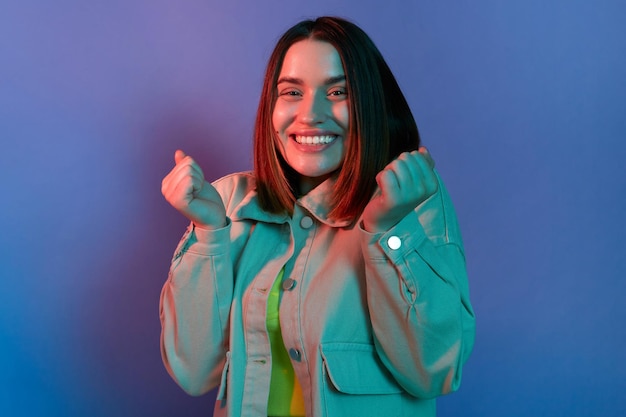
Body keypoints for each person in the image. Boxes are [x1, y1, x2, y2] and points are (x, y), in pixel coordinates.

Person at [160, 16, 475, 417]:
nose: (310, 114)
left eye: (338, 91)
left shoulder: (413, 203)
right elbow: (192, 372)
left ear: (369, 104)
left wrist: (389, 231)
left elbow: (434, 370)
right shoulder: (228, 204)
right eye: (291, 92)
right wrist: (209, 232)